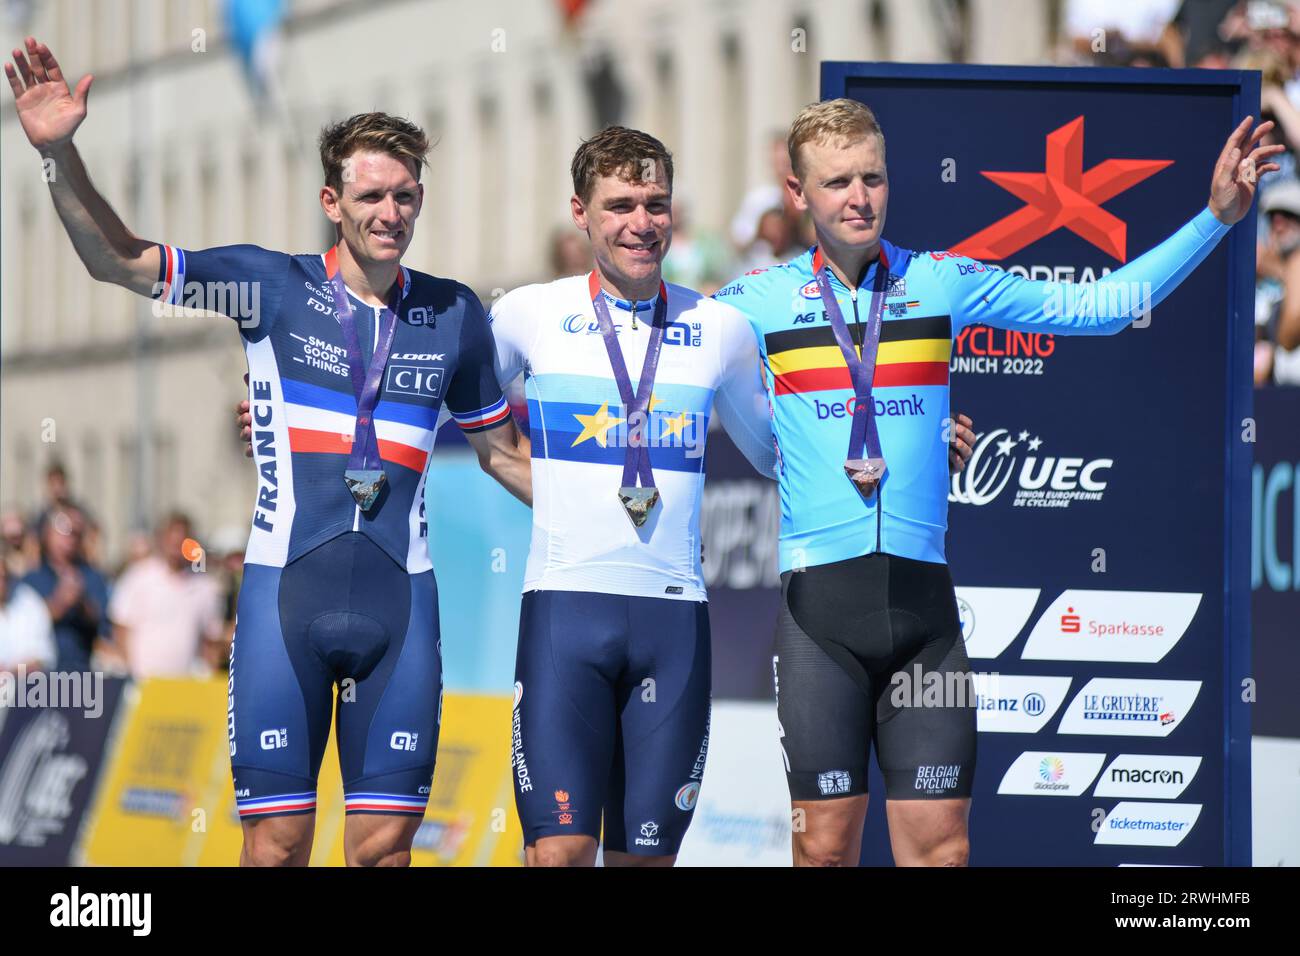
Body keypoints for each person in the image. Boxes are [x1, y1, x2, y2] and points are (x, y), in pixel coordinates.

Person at [6, 36, 531, 867]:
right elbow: (120, 260)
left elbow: (503, 455)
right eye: (370, 195)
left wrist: (610, 515)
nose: (389, 213)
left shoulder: (455, 313)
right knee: (278, 846)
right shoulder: (270, 286)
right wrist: (61, 156)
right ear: (332, 200)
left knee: (384, 851)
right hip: (285, 600)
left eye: (404, 195)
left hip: (404, 608)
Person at [715, 98, 1279, 866]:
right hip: (821, 623)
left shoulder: (940, 281)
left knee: (943, 852)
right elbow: (661, 356)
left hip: (924, 624)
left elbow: (1103, 307)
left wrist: (1215, 218)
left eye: (873, 178)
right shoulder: (754, 303)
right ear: (797, 193)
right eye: (838, 181)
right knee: (823, 854)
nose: (859, 198)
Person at [107, 512, 224, 679]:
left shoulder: (205, 587)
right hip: (142, 683)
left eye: (182, 541)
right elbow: (120, 628)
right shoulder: (138, 576)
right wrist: (128, 671)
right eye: (172, 540)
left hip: (185, 686)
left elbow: (210, 640)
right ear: (161, 540)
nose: (176, 547)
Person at [20, 504, 111, 673]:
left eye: (76, 533)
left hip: (81, 674)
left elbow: (105, 627)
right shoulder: (30, 580)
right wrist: (58, 603)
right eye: (64, 530)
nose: (70, 538)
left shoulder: (92, 577)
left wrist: (83, 603)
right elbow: (20, 627)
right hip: (38, 679)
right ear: (47, 533)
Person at [0, 557, 56, 674]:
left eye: (3, 576)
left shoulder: (29, 602)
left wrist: (10, 673)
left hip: (26, 686)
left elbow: (42, 659)